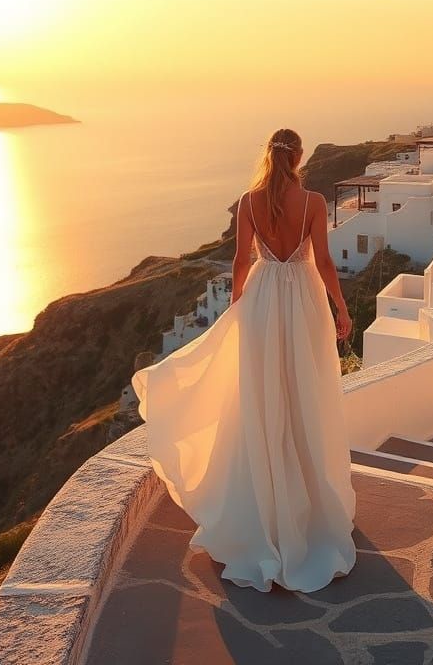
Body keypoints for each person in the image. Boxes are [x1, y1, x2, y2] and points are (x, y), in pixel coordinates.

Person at [131, 127, 357, 593]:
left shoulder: (250, 201)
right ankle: (309, 508)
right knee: (302, 396)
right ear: (298, 158)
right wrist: (341, 307)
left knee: (260, 397)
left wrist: (238, 305)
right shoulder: (313, 202)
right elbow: (326, 262)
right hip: (304, 303)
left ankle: (262, 511)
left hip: (261, 302)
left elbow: (239, 261)